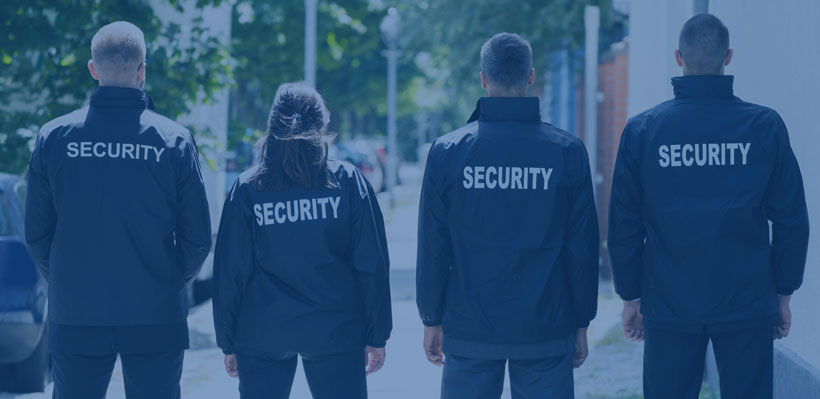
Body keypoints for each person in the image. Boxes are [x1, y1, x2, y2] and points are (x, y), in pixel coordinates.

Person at [609, 13, 810, 399]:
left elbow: (624, 225)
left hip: (668, 300)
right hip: (747, 299)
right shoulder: (764, 126)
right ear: (728, 56)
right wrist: (782, 293)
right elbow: (791, 220)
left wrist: (630, 295)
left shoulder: (643, 131)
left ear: (678, 57)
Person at [24, 21, 212, 399]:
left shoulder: (54, 137)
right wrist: (169, 281)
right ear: (142, 70)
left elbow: (37, 233)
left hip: (76, 312)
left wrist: (65, 280)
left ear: (93, 69)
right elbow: (197, 237)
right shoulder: (173, 140)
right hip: (155, 312)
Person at [416, 32, 599, 399]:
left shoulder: (448, 152)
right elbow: (582, 248)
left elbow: (434, 246)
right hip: (545, 328)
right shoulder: (567, 151)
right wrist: (581, 322)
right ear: (530, 77)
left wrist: (431, 317)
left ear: (484, 80)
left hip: (470, 329)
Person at [212, 82, 392, 399]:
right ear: (322, 125)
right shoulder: (347, 181)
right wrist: (377, 334)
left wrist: (228, 340)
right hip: (335, 330)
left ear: (272, 125)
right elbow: (371, 263)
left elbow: (230, 271)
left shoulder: (248, 188)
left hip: (263, 331)